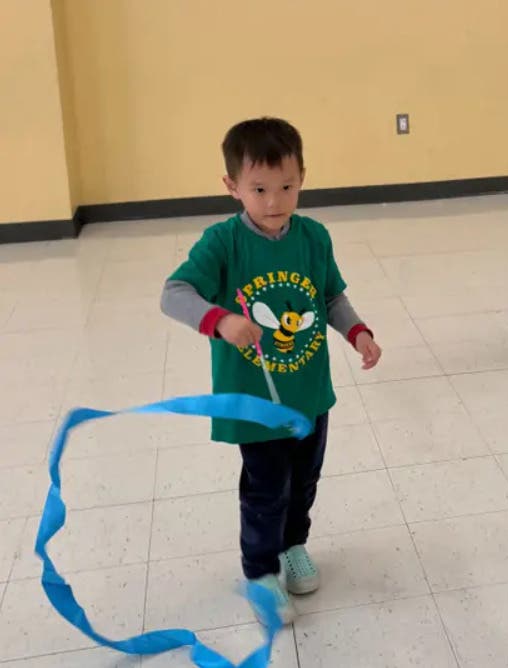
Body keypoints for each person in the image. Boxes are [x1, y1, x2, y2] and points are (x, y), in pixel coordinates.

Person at [160, 117, 381, 624]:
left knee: (304, 482)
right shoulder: (222, 243)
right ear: (232, 186)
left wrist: (357, 331)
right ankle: (260, 572)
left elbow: (330, 296)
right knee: (265, 489)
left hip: (309, 395)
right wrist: (219, 320)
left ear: (303, 177)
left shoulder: (314, 236)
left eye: (287, 186)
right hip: (255, 404)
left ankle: (292, 546)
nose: (275, 201)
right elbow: (174, 294)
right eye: (259, 189)